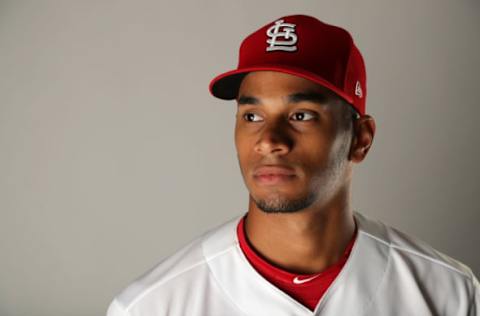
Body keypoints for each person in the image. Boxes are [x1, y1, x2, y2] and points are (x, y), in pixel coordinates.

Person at [106, 14, 479, 315]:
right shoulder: (151, 306)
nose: (269, 140)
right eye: (252, 116)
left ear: (360, 139)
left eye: (301, 114)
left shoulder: (450, 294)